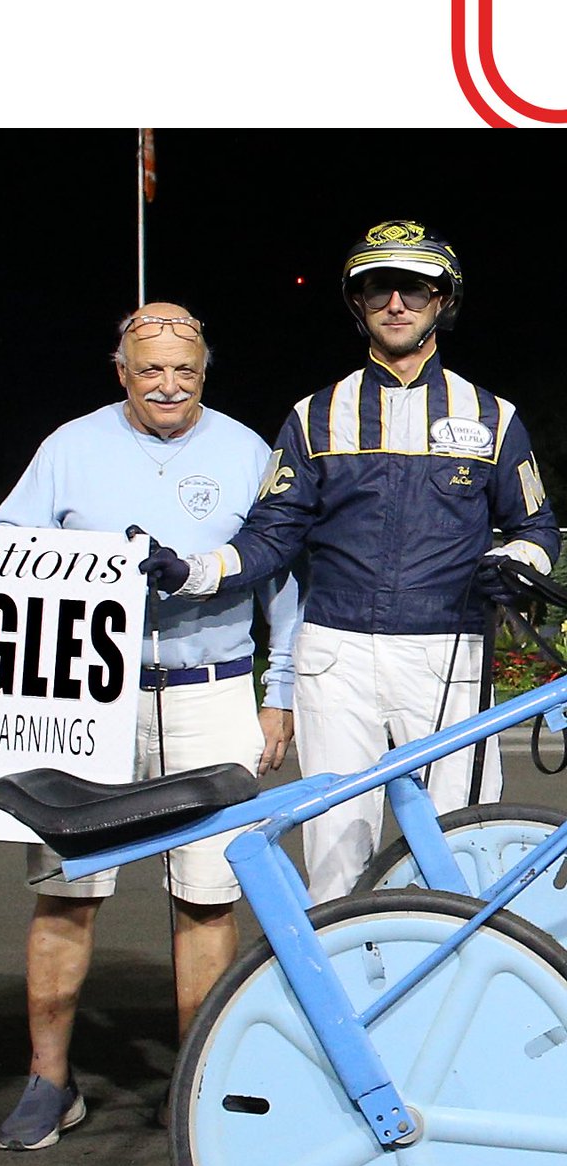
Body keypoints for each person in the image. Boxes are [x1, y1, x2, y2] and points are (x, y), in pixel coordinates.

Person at [0, 302, 300, 1149]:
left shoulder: (248, 448)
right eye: (150, 369)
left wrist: (279, 689)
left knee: (207, 897)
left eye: (184, 369)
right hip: (87, 699)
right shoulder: (70, 447)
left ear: (205, 372)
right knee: (67, 892)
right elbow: (6, 558)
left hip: (210, 690)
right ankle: (48, 1082)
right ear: (122, 373)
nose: (169, 385)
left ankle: (197, 1081)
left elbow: (283, 578)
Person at [139, 219, 562, 904]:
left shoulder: (494, 417)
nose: (397, 302)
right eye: (378, 288)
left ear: (443, 300)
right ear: (357, 303)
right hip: (335, 658)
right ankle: (344, 1003)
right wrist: (193, 571)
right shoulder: (313, 415)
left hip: (449, 650)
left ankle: (463, 1002)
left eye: (416, 288)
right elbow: (270, 535)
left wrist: (514, 560)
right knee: (336, 857)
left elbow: (537, 526)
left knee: (463, 847)